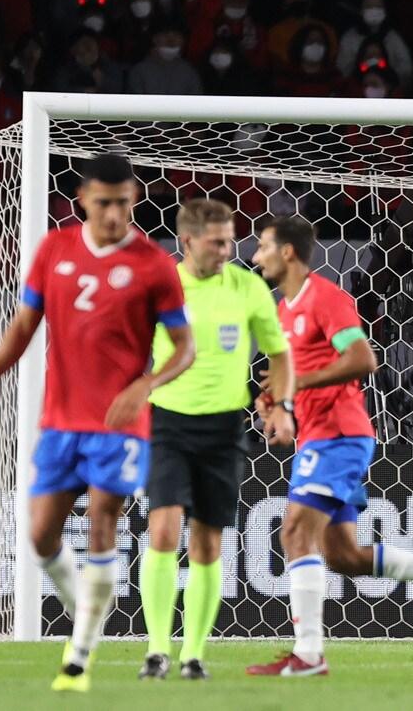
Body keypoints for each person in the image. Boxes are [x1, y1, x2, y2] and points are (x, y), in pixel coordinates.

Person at [0, 154, 195, 692]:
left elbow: (185, 347)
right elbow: (25, 324)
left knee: (101, 523)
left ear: (134, 200)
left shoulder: (153, 264)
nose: (114, 214)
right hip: (61, 421)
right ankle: (88, 608)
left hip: (118, 424)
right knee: (40, 535)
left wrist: (146, 384)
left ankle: (79, 656)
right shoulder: (55, 249)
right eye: (104, 202)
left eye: (123, 203)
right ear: (83, 200)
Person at [245, 215, 413, 676]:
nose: (256, 257)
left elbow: (362, 358)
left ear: (288, 252)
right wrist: (272, 403)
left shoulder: (326, 298)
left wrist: (296, 383)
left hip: (339, 433)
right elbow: (284, 375)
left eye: (263, 247)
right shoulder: (285, 311)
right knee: (344, 556)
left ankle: (308, 655)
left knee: (294, 533)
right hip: (316, 435)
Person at [138, 200, 294, 681]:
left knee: (207, 543)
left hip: (225, 428)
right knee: (163, 532)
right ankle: (157, 650)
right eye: (217, 242)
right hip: (167, 422)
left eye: (230, 241)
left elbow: (279, 355)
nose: (227, 250)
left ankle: (193, 655)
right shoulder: (161, 286)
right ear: (187, 241)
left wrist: (281, 404)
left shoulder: (248, 287)